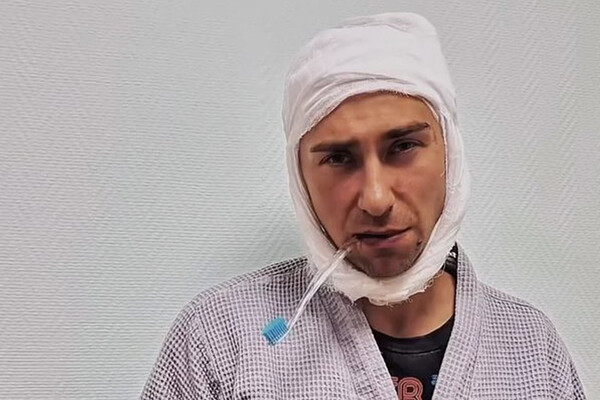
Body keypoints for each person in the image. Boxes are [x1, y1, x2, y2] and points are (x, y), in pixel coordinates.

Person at [140, 12, 586, 400]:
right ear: (300, 177)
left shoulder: (532, 349)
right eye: (338, 158)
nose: (375, 198)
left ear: (449, 153)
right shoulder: (220, 339)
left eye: (404, 146)